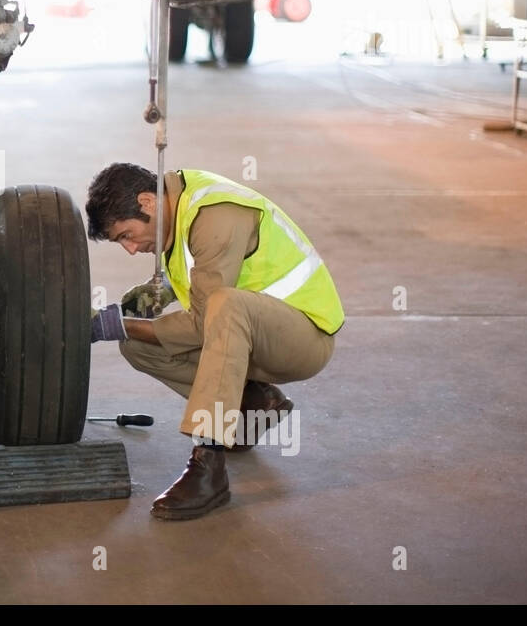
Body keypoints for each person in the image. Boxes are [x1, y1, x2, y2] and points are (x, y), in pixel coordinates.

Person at [86, 163, 344, 521]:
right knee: (138, 344)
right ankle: (253, 402)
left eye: (126, 235)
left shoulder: (214, 214)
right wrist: (154, 293)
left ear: (147, 201)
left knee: (223, 305)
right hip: (254, 336)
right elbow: (202, 279)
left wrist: (115, 324)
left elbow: (204, 321)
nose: (130, 249)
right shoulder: (177, 209)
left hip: (304, 338)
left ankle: (208, 467)